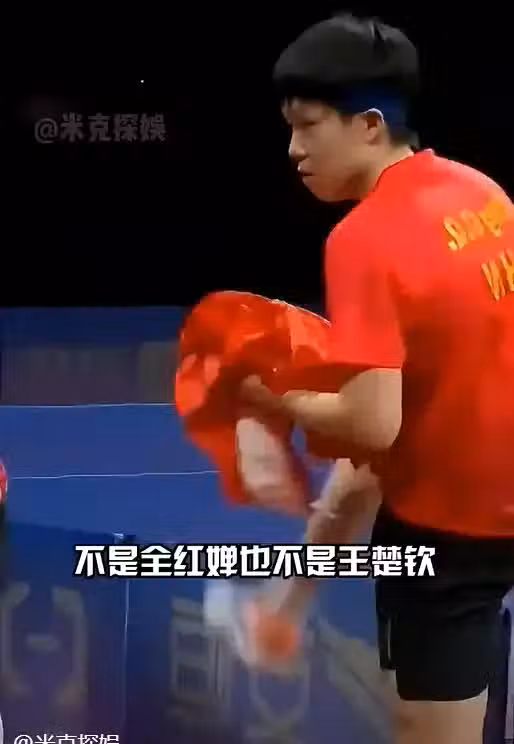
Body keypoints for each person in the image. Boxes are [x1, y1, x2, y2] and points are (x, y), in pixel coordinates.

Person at [240, 12, 514, 744]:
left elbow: (370, 429)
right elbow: (376, 451)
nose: (294, 150)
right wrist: (293, 596)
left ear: (368, 126)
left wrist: (267, 393)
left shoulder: (362, 240)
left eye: (308, 127)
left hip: (452, 538)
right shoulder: (484, 193)